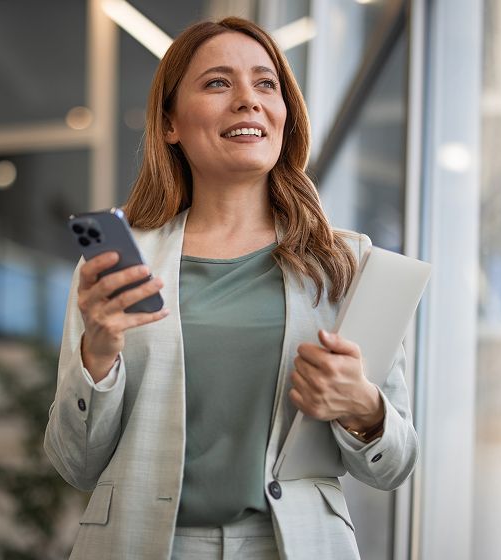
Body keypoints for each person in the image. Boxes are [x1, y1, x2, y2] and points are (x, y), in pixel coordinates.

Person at [44, 16, 418, 560]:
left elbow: (397, 464)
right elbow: (74, 464)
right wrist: (97, 354)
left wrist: (363, 407)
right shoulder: (114, 272)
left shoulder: (346, 264)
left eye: (266, 83)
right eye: (218, 83)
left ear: (285, 115)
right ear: (170, 123)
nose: (248, 99)